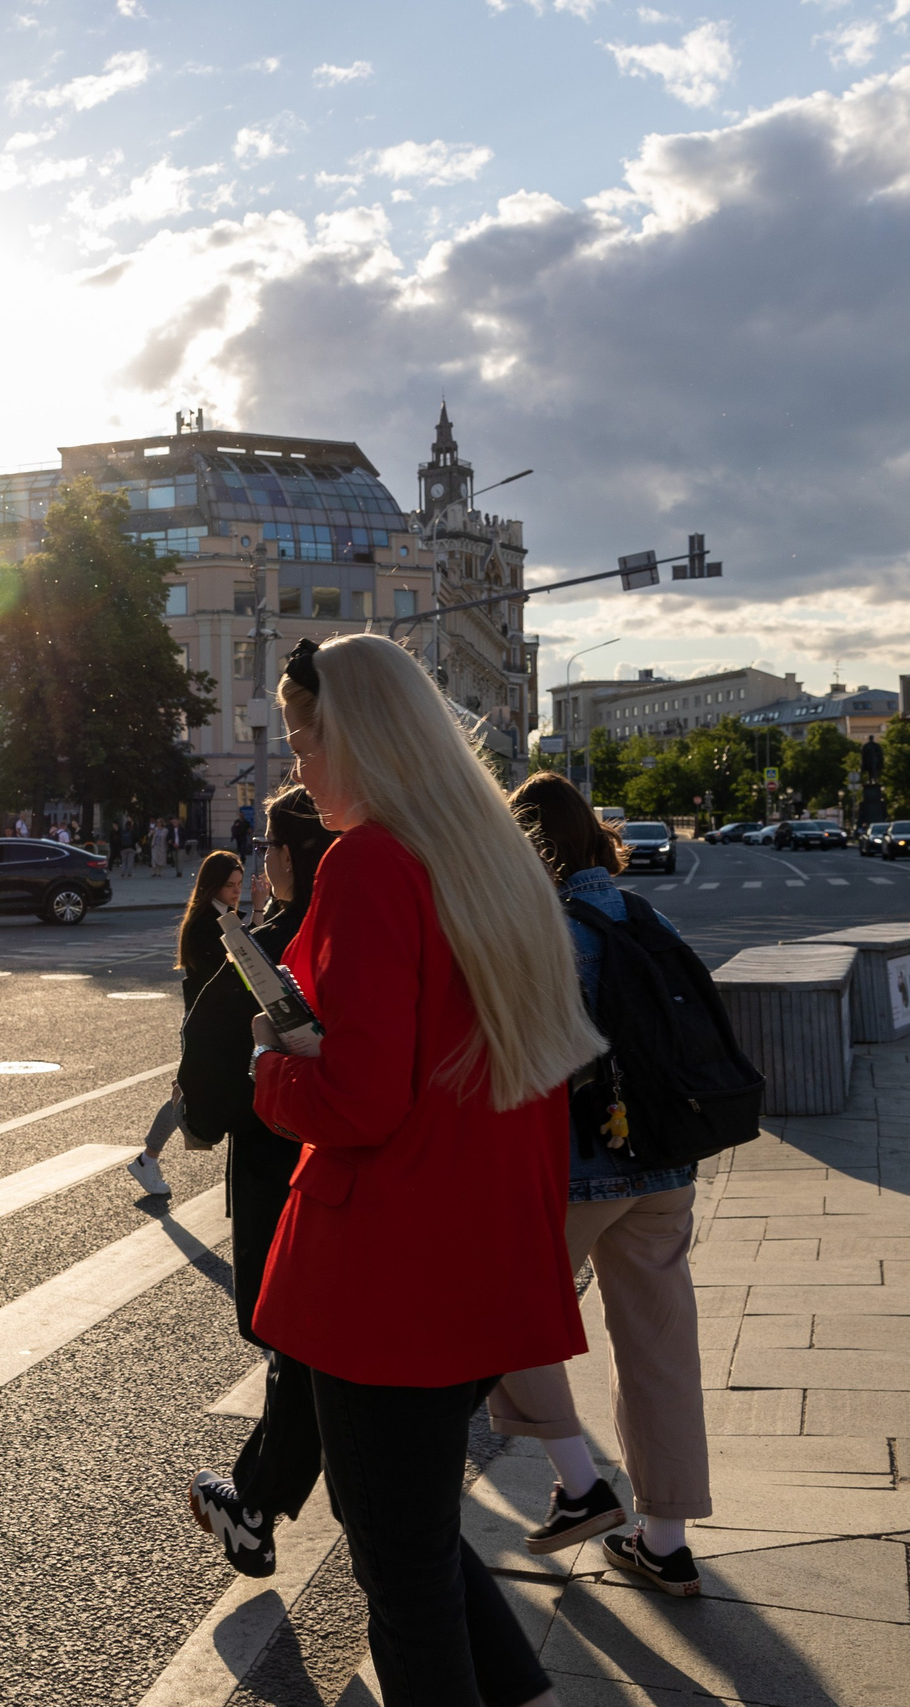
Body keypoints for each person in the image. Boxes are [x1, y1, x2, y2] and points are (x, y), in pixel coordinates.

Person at [246, 634, 599, 1706]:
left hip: (383, 1269)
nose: (295, 765)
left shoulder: (368, 863)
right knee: (408, 1529)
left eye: (305, 737)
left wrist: (269, 1067)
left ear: (358, 734)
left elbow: (359, 1100)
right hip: (476, 1251)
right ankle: (524, 1693)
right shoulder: (485, 853)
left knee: (398, 1573)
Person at [487, 774, 714, 1595]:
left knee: (501, 1310)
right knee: (660, 1346)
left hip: (584, 1167)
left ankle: (578, 1485)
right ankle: (666, 1539)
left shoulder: (544, 931)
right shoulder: (646, 916)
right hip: (667, 1166)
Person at [181, 785, 338, 1578]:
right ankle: (255, 1499)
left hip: (286, 1166)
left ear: (283, 856)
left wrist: (207, 1122)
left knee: (295, 1330)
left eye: (269, 850)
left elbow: (205, 1067)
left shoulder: (268, 947)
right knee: (318, 1344)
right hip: (373, 1173)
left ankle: (254, 1503)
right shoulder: (365, 933)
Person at [129, 850, 247, 1198]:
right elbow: (241, 961)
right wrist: (253, 914)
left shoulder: (221, 914)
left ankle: (146, 1161)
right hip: (203, 1024)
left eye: (239, 884)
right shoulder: (205, 922)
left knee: (186, 1091)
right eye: (230, 885)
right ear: (213, 885)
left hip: (213, 1023)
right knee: (189, 1093)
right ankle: (147, 1160)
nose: (236, 891)